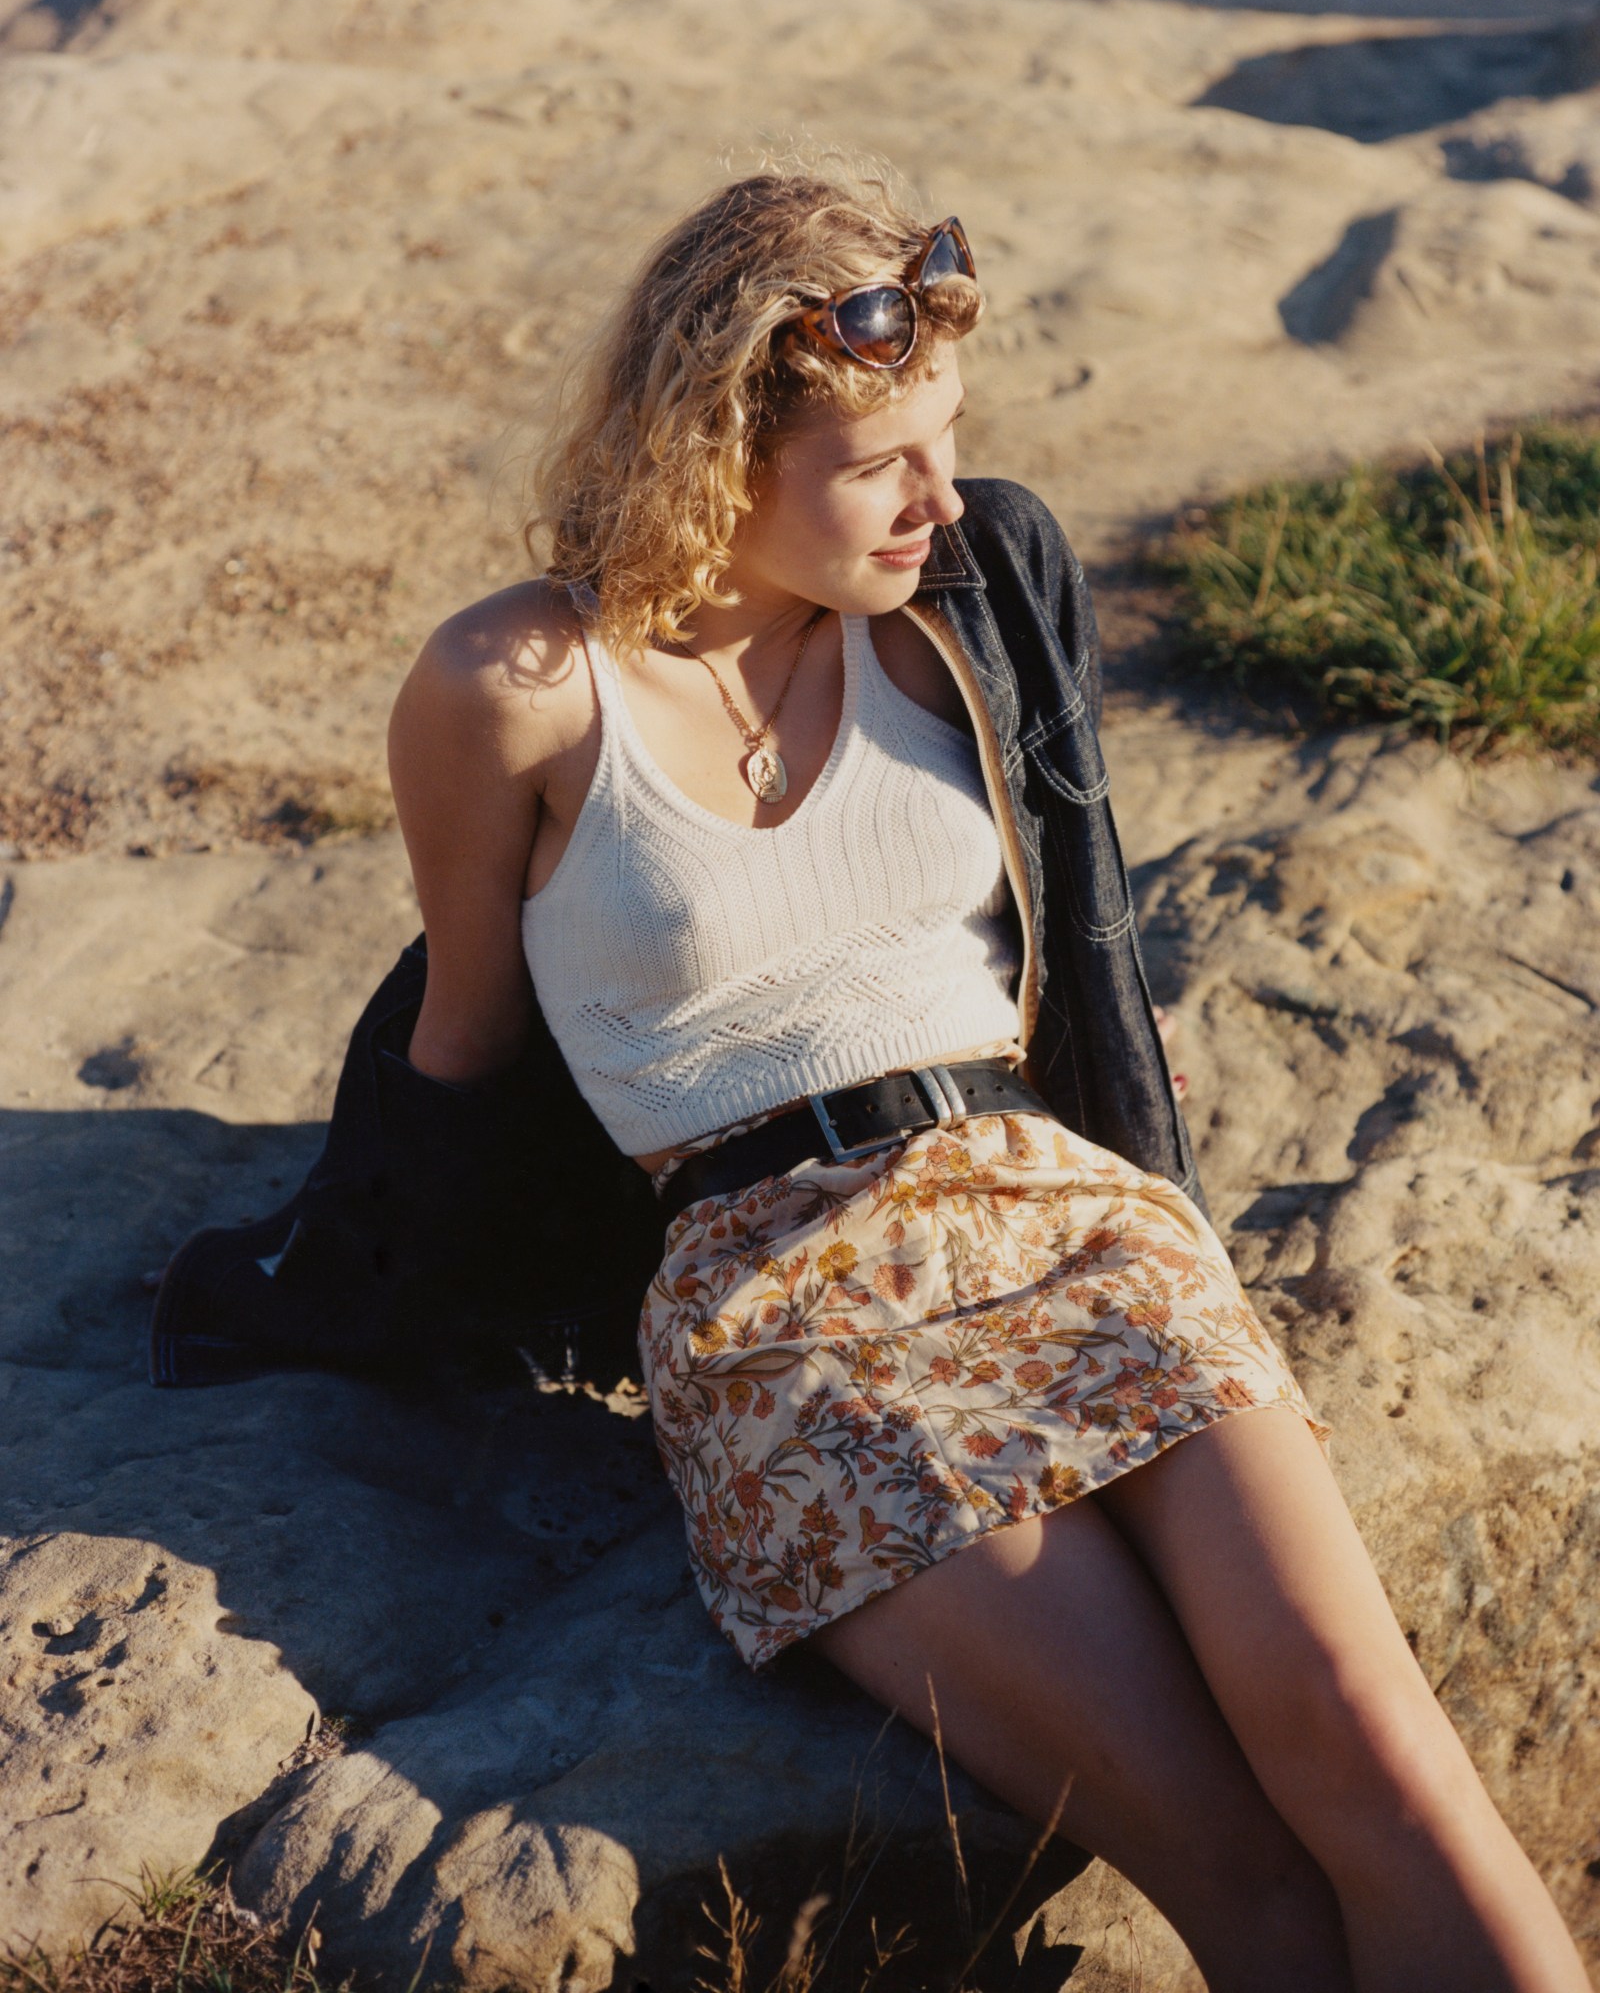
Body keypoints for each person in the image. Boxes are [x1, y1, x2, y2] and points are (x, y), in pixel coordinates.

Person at [168, 161, 1590, 1991]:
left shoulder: (968, 593)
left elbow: (1087, 957)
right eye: (879, 467)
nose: (942, 498)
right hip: (780, 1314)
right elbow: (467, 1037)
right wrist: (337, 1287)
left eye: (950, 440)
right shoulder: (515, 685)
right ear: (714, 453)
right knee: (1236, 1871)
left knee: (1388, 1775)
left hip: (1062, 1221)